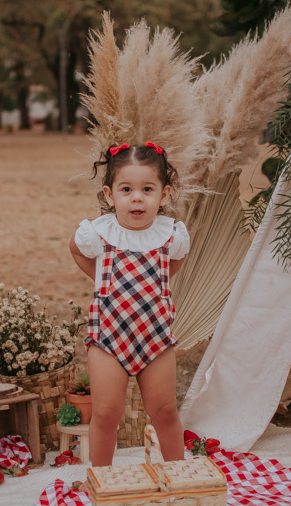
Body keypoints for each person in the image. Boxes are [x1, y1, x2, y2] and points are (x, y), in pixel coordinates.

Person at [69, 141, 189, 466]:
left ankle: (178, 474)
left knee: (164, 410)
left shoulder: (171, 234)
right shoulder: (99, 233)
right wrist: (99, 278)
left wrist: (162, 279)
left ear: (163, 195)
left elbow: (176, 259)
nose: (137, 197)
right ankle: (103, 478)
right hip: (108, 339)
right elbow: (76, 249)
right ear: (110, 195)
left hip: (156, 339)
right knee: (107, 412)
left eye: (147, 189)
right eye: (126, 189)